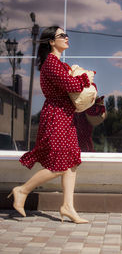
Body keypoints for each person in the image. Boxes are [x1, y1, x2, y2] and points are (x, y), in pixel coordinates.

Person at [7, 26, 95, 224]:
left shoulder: (61, 65)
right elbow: (71, 85)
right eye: (61, 35)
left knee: (71, 163)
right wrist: (85, 78)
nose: (66, 37)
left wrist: (84, 80)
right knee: (59, 165)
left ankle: (68, 207)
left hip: (65, 116)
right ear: (51, 42)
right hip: (55, 116)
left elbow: (72, 87)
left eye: (66, 34)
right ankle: (22, 190)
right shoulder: (51, 63)